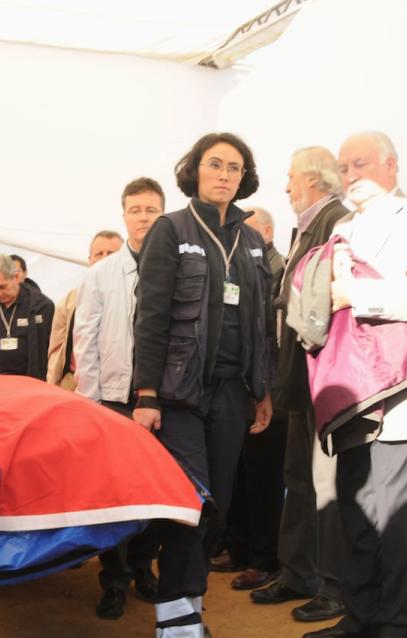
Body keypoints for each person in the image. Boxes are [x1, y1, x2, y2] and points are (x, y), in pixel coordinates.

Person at [304, 133, 407, 638]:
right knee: (357, 512)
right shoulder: (341, 227)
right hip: (350, 393)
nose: (350, 176)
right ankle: (363, 616)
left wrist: (355, 293)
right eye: (343, 168)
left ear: (392, 163)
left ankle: (402, 623)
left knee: (399, 522)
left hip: (403, 391)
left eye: (360, 164)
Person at [132, 132, 272, 637]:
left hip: (234, 395)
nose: (224, 175)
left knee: (219, 508)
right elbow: (149, 317)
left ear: (244, 178)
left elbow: (259, 327)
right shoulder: (170, 231)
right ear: (195, 169)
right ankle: (176, 619)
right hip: (179, 396)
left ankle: (187, 605)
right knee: (193, 502)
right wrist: (146, 393)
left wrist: (263, 390)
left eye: (234, 168)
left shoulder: (253, 241)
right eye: (215, 164)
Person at [250, 146, 351, 624]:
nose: (286, 185)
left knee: (325, 485)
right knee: (299, 480)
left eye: (291, 176)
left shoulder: (336, 220)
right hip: (297, 378)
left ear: (311, 178)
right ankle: (297, 572)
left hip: (321, 379)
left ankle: (332, 585)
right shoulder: (310, 225)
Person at [73, 177, 165, 619]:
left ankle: (144, 566)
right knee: (112, 498)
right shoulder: (101, 275)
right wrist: (89, 402)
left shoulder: (178, 268)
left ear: (163, 213)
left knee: (156, 493)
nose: (144, 217)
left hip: (165, 402)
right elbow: (85, 337)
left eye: (151, 209)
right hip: (112, 400)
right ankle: (114, 580)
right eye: (136, 209)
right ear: (123, 214)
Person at [212, 205, 287, 592]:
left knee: (263, 481)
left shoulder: (278, 268)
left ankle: (264, 559)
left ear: (268, 232)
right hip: (240, 390)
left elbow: (271, 338)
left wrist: (266, 389)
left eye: (248, 230)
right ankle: (239, 549)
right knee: (239, 476)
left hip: (267, 391)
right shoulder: (241, 268)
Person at [47, 230, 122, 389]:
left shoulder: (136, 296)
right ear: (90, 260)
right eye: (99, 254)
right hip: (73, 381)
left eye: (111, 253)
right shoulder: (70, 300)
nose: (104, 258)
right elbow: (56, 348)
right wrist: (53, 382)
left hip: (116, 384)